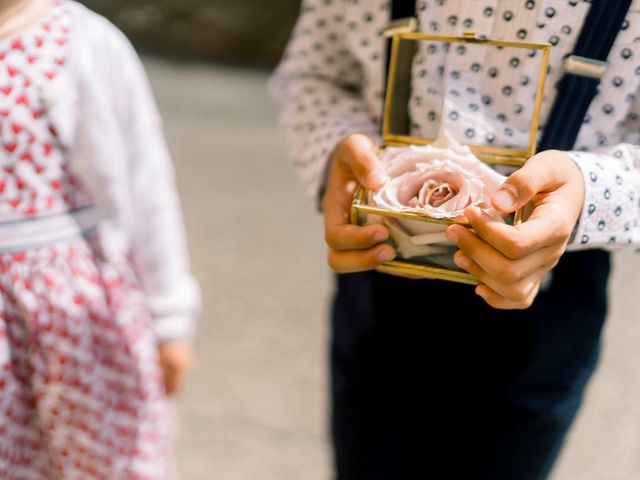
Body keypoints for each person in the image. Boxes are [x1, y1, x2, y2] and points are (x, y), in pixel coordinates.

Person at [272, 1, 640, 478]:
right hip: (381, 279)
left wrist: (587, 192)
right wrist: (334, 155)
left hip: (549, 292)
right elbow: (315, 73)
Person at [0, 0, 199, 478]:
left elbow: (145, 181)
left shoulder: (81, 40)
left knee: (99, 462)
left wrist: (169, 319)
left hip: (72, 315)